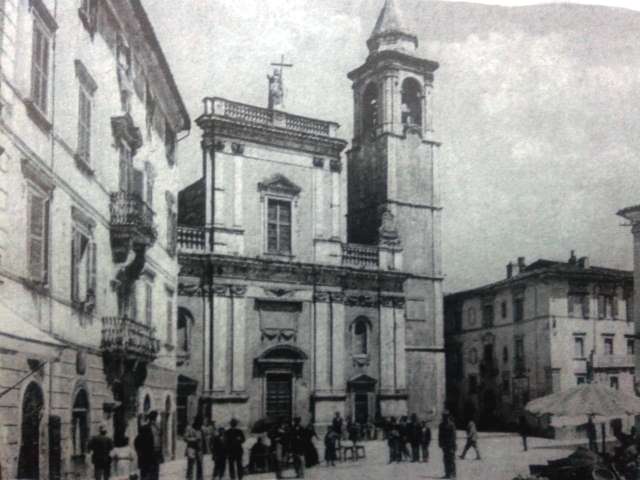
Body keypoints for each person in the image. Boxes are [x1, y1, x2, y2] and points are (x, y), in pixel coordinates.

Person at [134, 414, 155, 480]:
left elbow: (136, 444)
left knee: (143, 473)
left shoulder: (139, 436)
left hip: (142, 457)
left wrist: (138, 452)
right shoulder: (150, 436)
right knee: (150, 474)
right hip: (150, 458)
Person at [184, 415, 204, 480]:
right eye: (199, 422)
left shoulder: (201, 429)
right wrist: (195, 439)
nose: (200, 424)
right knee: (190, 466)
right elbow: (185, 438)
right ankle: (189, 478)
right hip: (191, 449)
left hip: (199, 449)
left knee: (200, 466)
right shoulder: (189, 428)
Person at [438, 411, 457, 479]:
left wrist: (454, 445)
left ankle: (453, 474)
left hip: (451, 445)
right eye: (443, 416)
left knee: (451, 460)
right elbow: (440, 435)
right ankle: (447, 473)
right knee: (445, 459)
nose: (444, 418)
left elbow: (454, 436)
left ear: (448, 416)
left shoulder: (452, 425)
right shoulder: (441, 425)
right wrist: (440, 443)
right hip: (444, 445)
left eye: (445, 416)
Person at [148, 411, 163, 480]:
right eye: (156, 417)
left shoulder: (158, 427)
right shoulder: (147, 427)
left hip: (157, 451)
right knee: (151, 471)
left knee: (156, 471)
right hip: (150, 451)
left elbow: (160, 438)